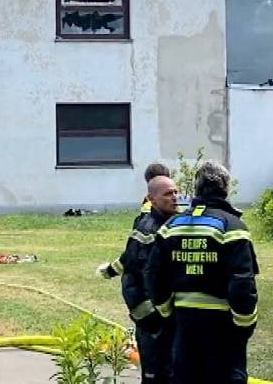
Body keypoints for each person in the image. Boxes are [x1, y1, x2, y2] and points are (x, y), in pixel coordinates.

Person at [146, 161, 258, 384]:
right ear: (225, 188)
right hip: (222, 326)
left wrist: (168, 312)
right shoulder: (233, 226)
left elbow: (153, 274)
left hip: (183, 324)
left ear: (197, 188)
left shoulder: (171, 225)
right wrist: (244, 325)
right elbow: (242, 282)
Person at [98, 163, 179, 383]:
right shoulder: (146, 225)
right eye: (167, 193)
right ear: (151, 197)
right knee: (155, 370)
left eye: (175, 192)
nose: (174, 198)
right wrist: (151, 315)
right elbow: (133, 264)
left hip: (165, 312)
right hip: (150, 313)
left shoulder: (174, 221)